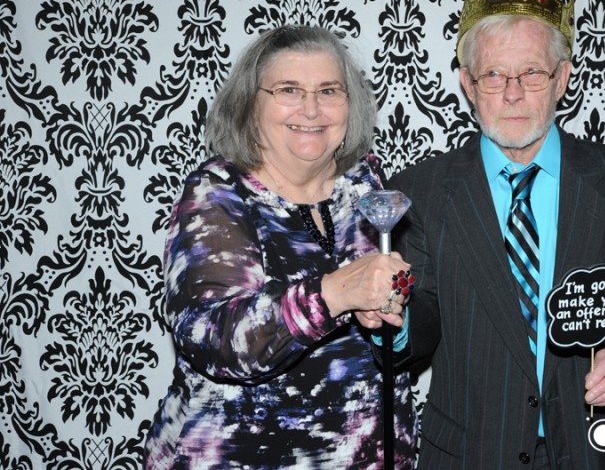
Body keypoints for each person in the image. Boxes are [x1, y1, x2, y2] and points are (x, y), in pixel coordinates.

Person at [389, 0, 605, 468]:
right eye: (493, 75)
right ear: (468, 83)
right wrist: (391, 319)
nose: (513, 93)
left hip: (602, 453)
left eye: (532, 72)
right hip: (470, 455)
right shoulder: (418, 192)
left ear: (562, 79)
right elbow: (421, 318)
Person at [145, 25, 418, 469]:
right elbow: (217, 340)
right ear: (250, 104)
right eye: (289, 90)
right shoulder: (218, 193)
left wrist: (391, 319)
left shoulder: (364, 184)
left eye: (329, 90)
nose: (311, 109)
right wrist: (334, 293)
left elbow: (392, 325)